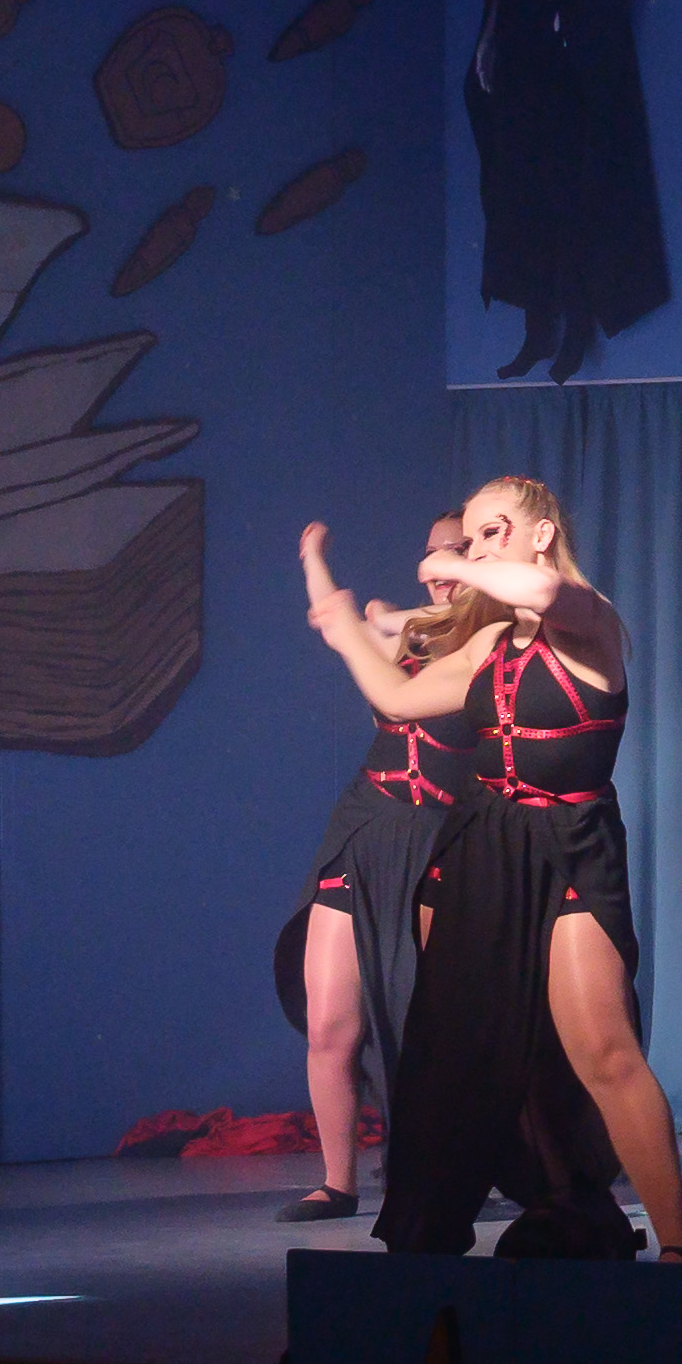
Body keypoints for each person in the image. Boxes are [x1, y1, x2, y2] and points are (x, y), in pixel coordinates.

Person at [316, 475, 682, 1260]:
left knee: (604, 1050)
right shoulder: (488, 645)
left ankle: (679, 1249)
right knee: (456, 1044)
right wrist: (348, 634)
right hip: (484, 842)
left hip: (572, 841)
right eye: (472, 537)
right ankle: (447, 1228)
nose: (478, 548)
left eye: (493, 533)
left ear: (541, 534)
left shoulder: (588, 620)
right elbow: (399, 699)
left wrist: (452, 570)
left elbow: (542, 591)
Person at [272, 515, 469, 1224]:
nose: (440, 567)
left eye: (457, 552)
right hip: (365, 827)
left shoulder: (494, 643)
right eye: (432, 554)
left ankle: (457, 1164)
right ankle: (338, 1182)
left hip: (439, 840)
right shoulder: (408, 634)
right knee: (330, 1022)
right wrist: (314, 561)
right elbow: (341, 627)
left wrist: (385, 617)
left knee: (432, 1020)